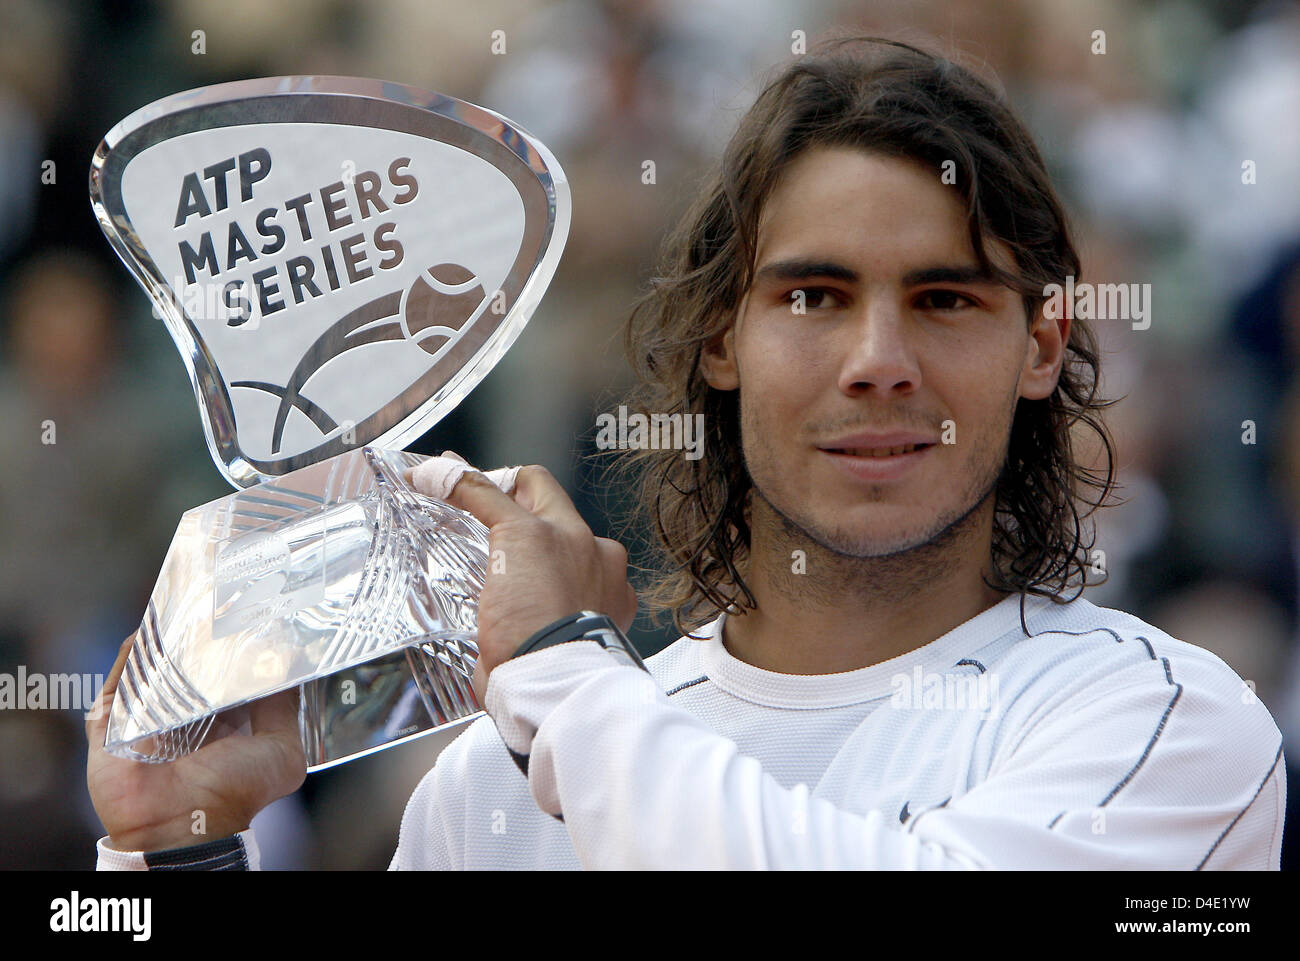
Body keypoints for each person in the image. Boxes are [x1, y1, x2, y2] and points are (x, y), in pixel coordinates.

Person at [88, 36, 1286, 870]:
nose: (878, 359)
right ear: (722, 341)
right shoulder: (501, 779)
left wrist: (559, 667)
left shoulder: (1165, 722)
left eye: (946, 299)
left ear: (1041, 345)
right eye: (813, 296)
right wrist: (174, 849)